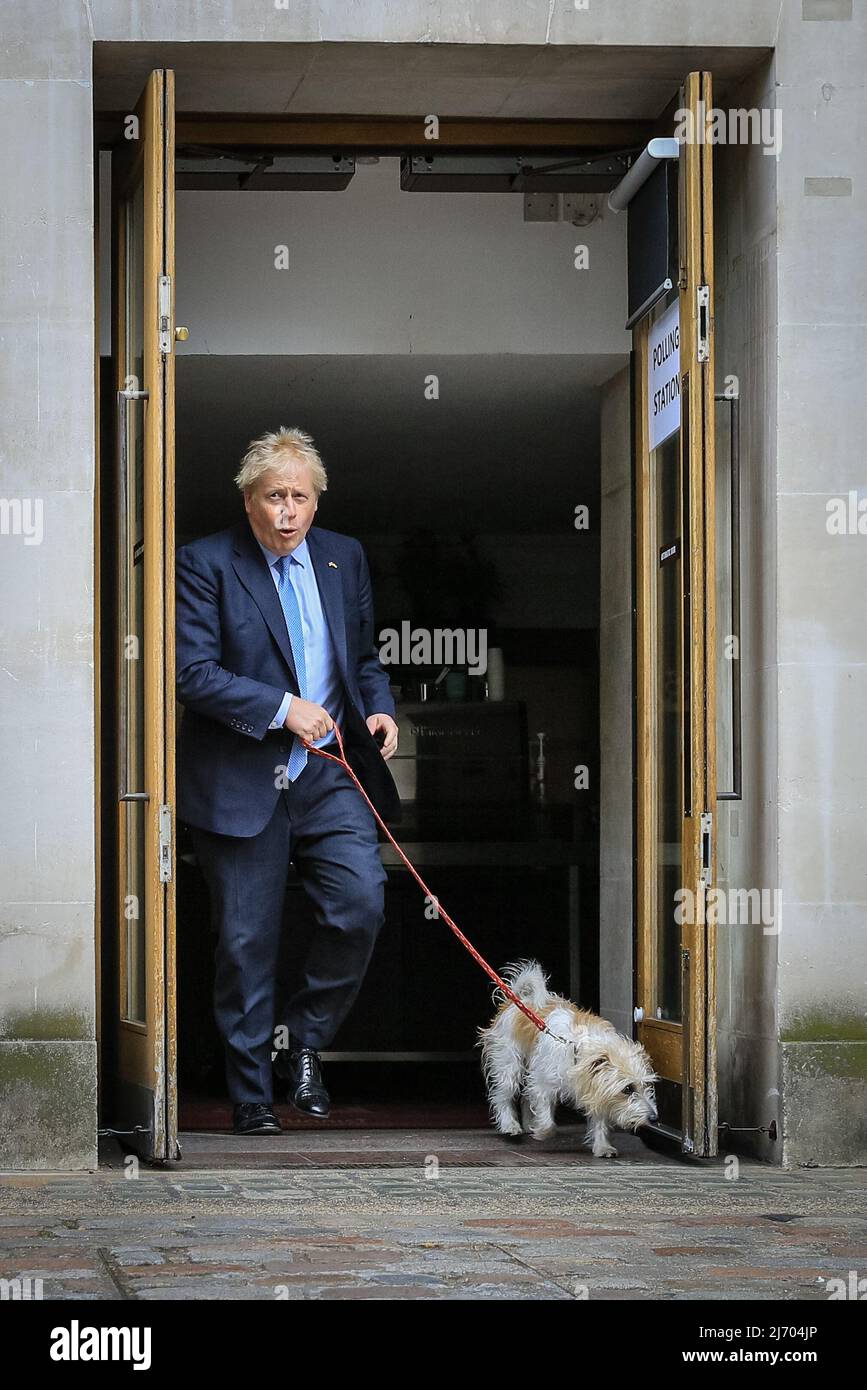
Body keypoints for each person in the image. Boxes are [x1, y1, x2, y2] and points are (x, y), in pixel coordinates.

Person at [175, 426, 400, 1134]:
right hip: (242, 776)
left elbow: (360, 657)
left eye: (300, 497)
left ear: (316, 500)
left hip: (330, 771)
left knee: (359, 903)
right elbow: (192, 674)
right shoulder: (204, 563)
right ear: (249, 501)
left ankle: (302, 1042)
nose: (288, 512)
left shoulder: (343, 558)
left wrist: (381, 710)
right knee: (245, 941)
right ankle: (249, 1095)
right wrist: (282, 709)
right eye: (274, 497)